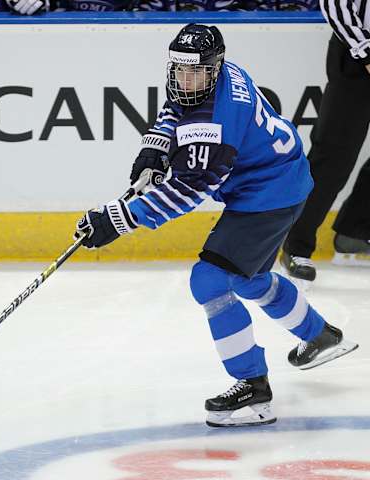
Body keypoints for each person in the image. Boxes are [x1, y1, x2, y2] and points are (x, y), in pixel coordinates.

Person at [74, 24, 358, 427]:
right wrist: (156, 147)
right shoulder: (223, 74)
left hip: (267, 196)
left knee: (209, 280)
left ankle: (253, 391)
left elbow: (185, 195)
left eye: (196, 73)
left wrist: (118, 219)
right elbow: (179, 106)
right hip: (279, 182)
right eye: (180, 71)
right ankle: (319, 336)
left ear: (214, 67)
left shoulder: (215, 129)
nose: (186, 81)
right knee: (247, 279)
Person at [281, 0, 370, 285]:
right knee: (334, 155)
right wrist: (366, 52)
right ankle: (296, 245)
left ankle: (354, 231)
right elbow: (336, 5)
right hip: (356, 59)